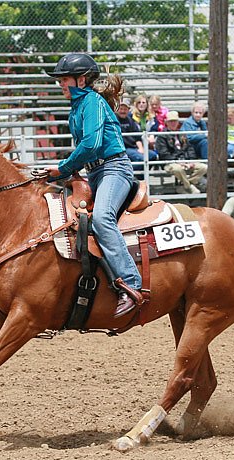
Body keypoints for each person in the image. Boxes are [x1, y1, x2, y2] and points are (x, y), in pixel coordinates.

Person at [45, 52, 143, 318]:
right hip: (96, 172)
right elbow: (85, 150)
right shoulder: (77, 108)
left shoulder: (92, 102)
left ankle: (131, 285)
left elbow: (91, 144)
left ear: (82, 79)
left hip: (114, 169)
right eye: (60, 80)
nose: (61, 84)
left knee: (101, 219)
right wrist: (59, 174)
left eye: (64, 79)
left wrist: (64, 168)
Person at [156, 110, 207, 194]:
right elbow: (164, 154)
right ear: (167, 123)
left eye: (175, 121)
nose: (173, 123)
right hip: (170, 162)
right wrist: (179, 161)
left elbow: (190, 149)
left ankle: (184, 185)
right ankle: (188, 186)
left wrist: (190, 161)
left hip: (185, 161)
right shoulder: (162, 136)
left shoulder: (182, 134)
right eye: (171, 121)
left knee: (203, 167)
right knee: (177, 169)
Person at [116, 96, 157, 169]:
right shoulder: (114, 120)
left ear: (128, 110)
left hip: (134, 147)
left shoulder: (130, 120)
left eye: (125, 109)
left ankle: (140, 176)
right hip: (123, 148)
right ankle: (130, 173)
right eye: (121, 109)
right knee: (141, 158)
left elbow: (137, 137)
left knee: (153, 156)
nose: (123, 111)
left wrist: (141, 148)